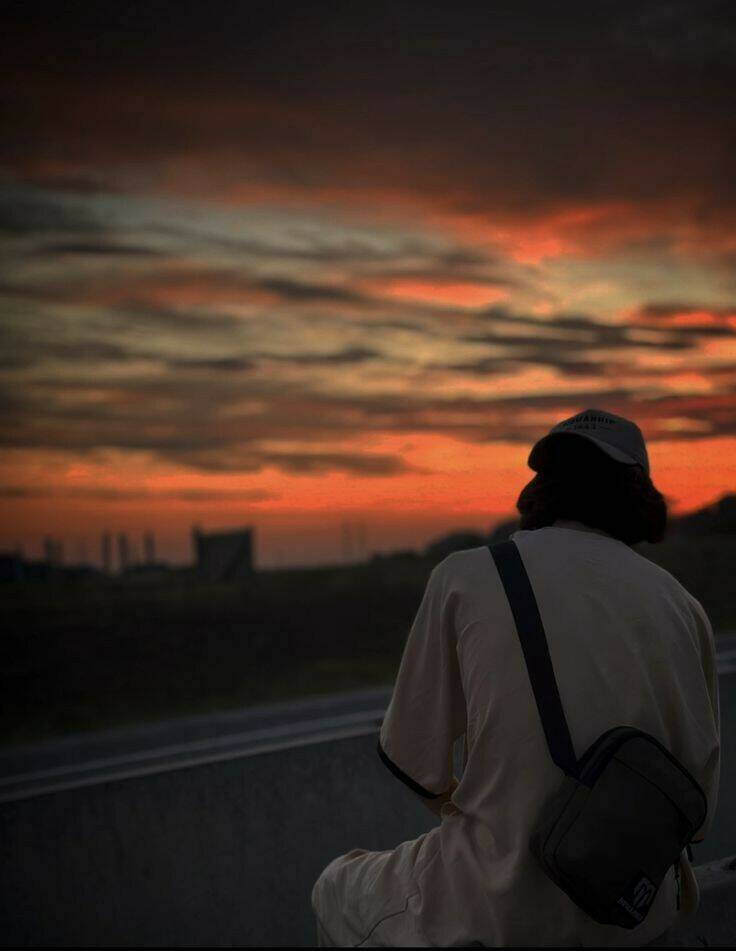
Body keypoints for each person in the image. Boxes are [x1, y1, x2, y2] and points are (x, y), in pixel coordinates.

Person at [311, 408, 721, 947]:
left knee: (333, 887)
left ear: (541, 489)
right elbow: (698, 811)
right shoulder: (684, 607)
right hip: (637, 912)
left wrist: (506, 817)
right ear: (639, 498)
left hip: (496, 907)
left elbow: (415, 764)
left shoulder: (465, 575)